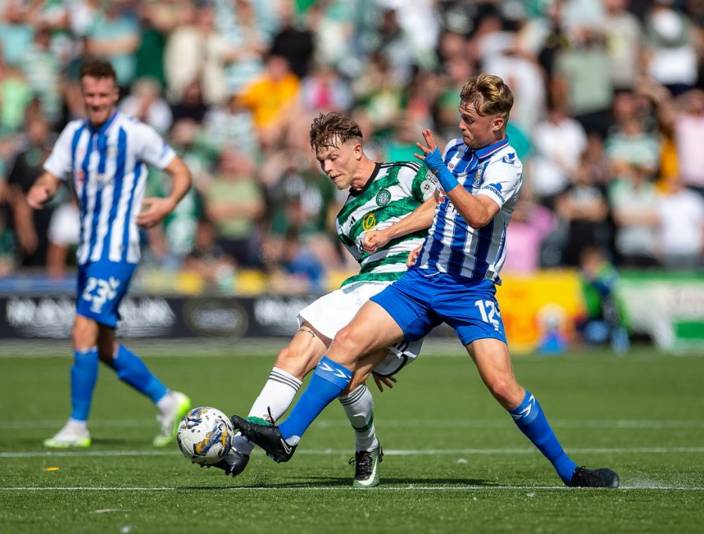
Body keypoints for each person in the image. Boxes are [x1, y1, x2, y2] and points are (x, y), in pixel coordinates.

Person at [233, 74, 620, 488]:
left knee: (504, 387)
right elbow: (438, 206)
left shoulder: (506, 165)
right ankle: (288, 437)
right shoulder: (456, 149)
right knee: (346, 344)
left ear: (498, 123)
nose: (462, 126)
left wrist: (437, 170)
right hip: (422, 279)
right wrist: (420, 241)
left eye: (471, 120)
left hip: (469, 290)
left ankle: (569, 471)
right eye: (461, 116)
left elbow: (477, 214)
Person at [212, 112, 438, 488]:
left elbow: (444, 207)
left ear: (357, 149)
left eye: (333, 158)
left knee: (348, 380)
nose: (328, 168)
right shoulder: (345, 218)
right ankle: (240, 447)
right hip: (364, 286)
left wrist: (390, 233)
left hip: (409, 288)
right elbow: (368, 263)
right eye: (321, 162)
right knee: (293, 355)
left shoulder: (405, 174)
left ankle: (367, 447)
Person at [26, 60, 193, 448]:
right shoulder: (73, 134)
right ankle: (168, 400)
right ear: (82, 96)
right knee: (101, 344)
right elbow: (52, 173)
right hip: (88, 249)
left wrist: (167, 205)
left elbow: (181, 171)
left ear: (116, 94)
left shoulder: (135, 134)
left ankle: (77, 426)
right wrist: (43, 188)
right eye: (90, 95)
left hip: (118, 249)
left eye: (103, 94)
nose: (97, 101)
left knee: (82, 328)